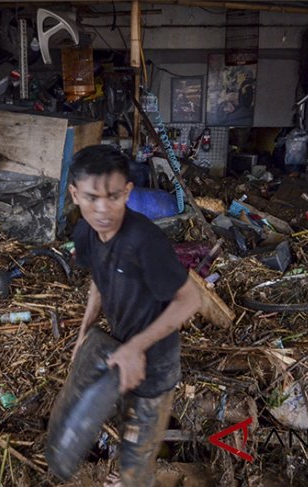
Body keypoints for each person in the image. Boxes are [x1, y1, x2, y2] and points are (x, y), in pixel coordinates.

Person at [67, 144, 201, 486]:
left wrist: (136, 347)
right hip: (120, 348)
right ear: (74, 194)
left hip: (155, 362)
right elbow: (98, 280)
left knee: (138, 452)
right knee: (126, 424)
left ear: (127, 191)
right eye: (91, 197)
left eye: (113, 197)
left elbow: (190, 299)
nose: (102, 209)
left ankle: (137, 478)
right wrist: (84, 333)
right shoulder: (85, 232)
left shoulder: (144, 239)